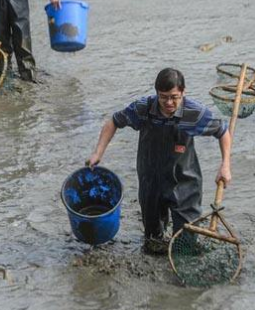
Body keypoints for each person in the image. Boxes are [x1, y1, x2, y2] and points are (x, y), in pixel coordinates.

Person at [87, 68, 232, 254]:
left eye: (174, 97)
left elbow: (223, 132)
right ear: (156, 93)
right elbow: (114, 122)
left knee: (185, 242)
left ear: (183, 92)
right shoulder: (143, 108)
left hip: (184, 182)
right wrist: (97, 153)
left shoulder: (193, 113)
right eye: (163, 97)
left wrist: (225, 165)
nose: (169, 103)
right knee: (152, 242)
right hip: (150, 181)